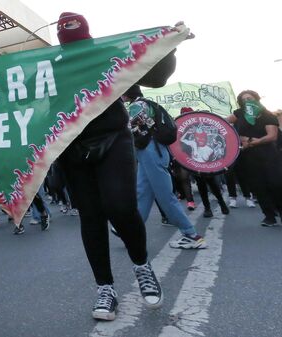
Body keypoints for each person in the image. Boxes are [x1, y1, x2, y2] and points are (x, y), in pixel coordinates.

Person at [54, 12, 189, 320]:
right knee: (91, 217)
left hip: (113, 138)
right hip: (72, 145)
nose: (75, 46)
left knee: (120, 206)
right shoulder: (49, 65)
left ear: (89, 36)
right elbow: (12, 95)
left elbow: (155, 77)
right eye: (67, 39)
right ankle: (105, 288)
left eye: (79, 39)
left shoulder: (107, 53)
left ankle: (142, 266)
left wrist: (169, 46)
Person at [124, 85, 207, 250]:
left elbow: (133, 132)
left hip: (150, 151)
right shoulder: (146, 103)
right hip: (152, 151)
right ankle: (132, 231)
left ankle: (191, 234)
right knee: (143, 193)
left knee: (165, 196)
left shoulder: (136, 106)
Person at [225, 90, 282, 226]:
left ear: (256, 99)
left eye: (250, 98)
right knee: (258, 187)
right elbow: (224, 124)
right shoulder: (239, 113)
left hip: (268, 155)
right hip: (248, 157)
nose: (247, 101)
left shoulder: (267, 115)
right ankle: (269, 216)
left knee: (276, 184)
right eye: (244, 100)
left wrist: (250, 141)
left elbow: (272, 136)